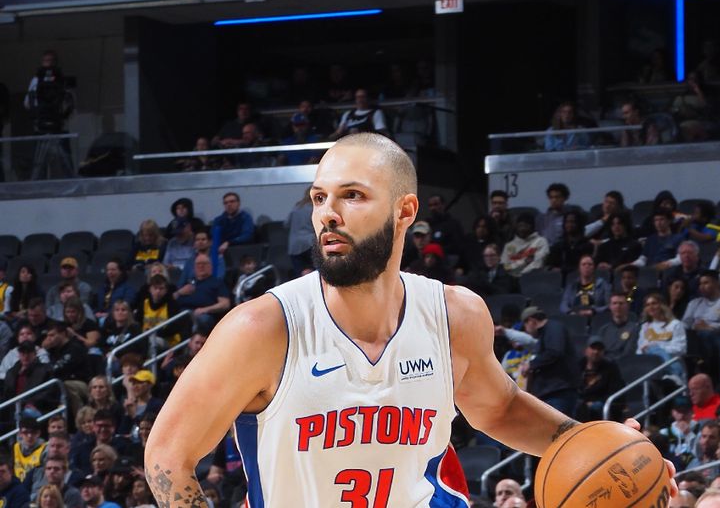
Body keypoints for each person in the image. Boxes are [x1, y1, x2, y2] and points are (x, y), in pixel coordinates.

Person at [145, 133, 675, 507]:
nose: (328, 212)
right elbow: (169, 454)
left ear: (404, 212)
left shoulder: (453, 314)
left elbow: (501, 407)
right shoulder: (264, 328)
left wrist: (601, 446)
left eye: (352, 195)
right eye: (319, 197)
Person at [24, 50, 74, 180]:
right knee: (39, 165)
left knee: (65, 164)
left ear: (56, 63)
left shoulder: (62, 80)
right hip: (41, 127)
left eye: (51, 61)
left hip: (58, 126)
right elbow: (27, 103)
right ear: (42, 62)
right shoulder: (36, 80)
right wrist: (39, 111)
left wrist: (62, 111)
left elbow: (70, 102)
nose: (48, 64)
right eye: (46, 61)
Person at [173, 254, 231, 334]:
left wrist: (205, 309)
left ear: (210, 266)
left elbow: (225, 304)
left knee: (203, 319)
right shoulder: (187, 283)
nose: (201, 266)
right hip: (182, 313)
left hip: (203, 314)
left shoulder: (217, 283)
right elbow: (172, 299)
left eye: (204, 263)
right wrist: (180, 292)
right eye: (198, 264)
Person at [637, 292, 687, 384]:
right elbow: (639, 351)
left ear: (662, 305)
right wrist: (648, 350)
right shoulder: (645, 326)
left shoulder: (675, 324)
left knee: (655, 349)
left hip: (671, 363)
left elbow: (681, 349)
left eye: (654, 303)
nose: (651, 307)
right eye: (647, 305)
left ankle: (674, 375)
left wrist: (658, 347)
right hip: (650, 365)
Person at [575, 336, 624, 421]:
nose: (596, 352)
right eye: (593, 348)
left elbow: (614, 390)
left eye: (599, 349)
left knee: (596, 407)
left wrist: (593, 402)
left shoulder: (610, 367)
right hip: (581, 401)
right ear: (586, 350)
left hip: (601, 402)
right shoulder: (578, 366)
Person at [595, 292, 639, 361]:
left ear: (627, 306)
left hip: (625, 365)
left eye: (621, 303)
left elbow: (629, 352)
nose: (618, 306)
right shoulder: (603, 330)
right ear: (610, 306)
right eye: (614, 303)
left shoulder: (635, 329)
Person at [285, 188, 315, 278]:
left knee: (299, 277)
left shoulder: (296, 207)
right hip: (310, 244)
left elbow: (286, 224)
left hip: (294, 247)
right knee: (316, 276)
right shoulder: (314, 208)